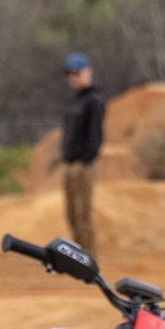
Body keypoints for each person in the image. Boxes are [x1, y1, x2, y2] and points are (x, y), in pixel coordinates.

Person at [60, 52, 105, 259]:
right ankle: (77, 256)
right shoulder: (75, 101)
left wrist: (86, 161)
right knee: (71, 213)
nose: (74, 77)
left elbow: (96, 136)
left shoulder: (93, 100)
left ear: (89, 72)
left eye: (78, 72)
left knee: (83, 213)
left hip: (83, 165)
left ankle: (89, 258)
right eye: (70, 73)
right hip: (69, 164)